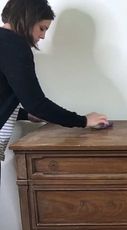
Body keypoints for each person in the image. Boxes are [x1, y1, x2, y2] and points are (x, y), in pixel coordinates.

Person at [0, 0, 109, 161]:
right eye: (42, 28)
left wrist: (26, 115)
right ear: (27, 18)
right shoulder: (15, 46)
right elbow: (37, 104)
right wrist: (84, 120)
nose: (43, 36)